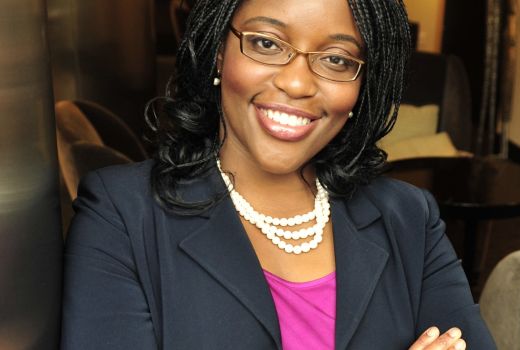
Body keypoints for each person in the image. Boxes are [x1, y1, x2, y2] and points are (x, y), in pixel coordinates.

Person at [61, 0, 497, 349]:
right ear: (218, 51)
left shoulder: (409, 218)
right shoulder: (120, 214)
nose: (297, 83)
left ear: (362, 85)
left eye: (337, 59)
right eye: (267, 43)